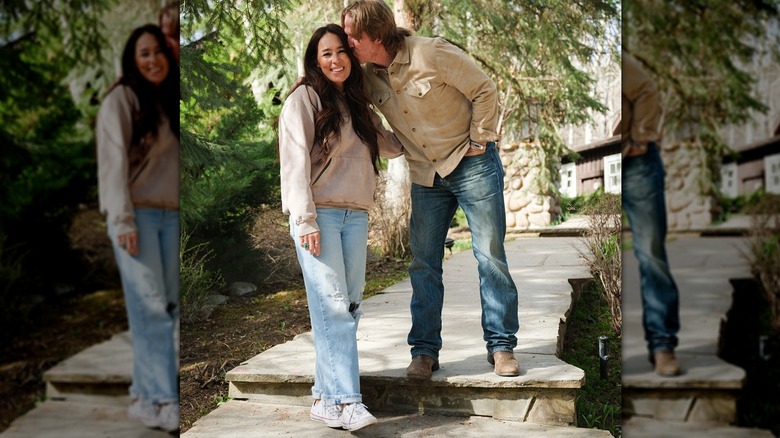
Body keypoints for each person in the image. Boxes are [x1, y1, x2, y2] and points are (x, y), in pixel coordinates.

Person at [341, 0, 520, 379]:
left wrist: (479, 139)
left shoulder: (431, 52)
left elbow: (485, 90)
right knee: (423, 264)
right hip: (426, 175)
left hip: (472, 163)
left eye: (352, 37)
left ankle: (501, 346)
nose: (348, 43)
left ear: (374, 35)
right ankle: (424, 351)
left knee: (490, 256)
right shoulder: (366, 76)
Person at [278, 23, 403, 432]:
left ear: (351, 58)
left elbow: (395, 145)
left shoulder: (356, 104)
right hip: (320, 217)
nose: (335, 60)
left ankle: (324, 395)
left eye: (341, 52)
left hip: (356, 214)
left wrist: (382, 96)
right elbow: (294, 164)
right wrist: (305, 219)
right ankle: (347, 401)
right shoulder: (304, 99)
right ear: (316, 59)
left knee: (347, 306)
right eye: (326, 53)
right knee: (333, 306)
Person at [96, 24, 181, 431]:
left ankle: (145, 396)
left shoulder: (166, 102)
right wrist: (122, 221)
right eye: (144, 53)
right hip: (137, 219)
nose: (153, 60)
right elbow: (111, 167)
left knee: (163, 310)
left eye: (159, 52)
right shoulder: (121, 99)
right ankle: (163, 399)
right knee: (151, 309)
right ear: (133, 59)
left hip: (171, 215)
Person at [622, 50, 681, 377]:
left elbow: (646, 89)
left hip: (638, 163)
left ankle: (663, 345)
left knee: (651, 254)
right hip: (622, 157)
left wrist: (641, 137)